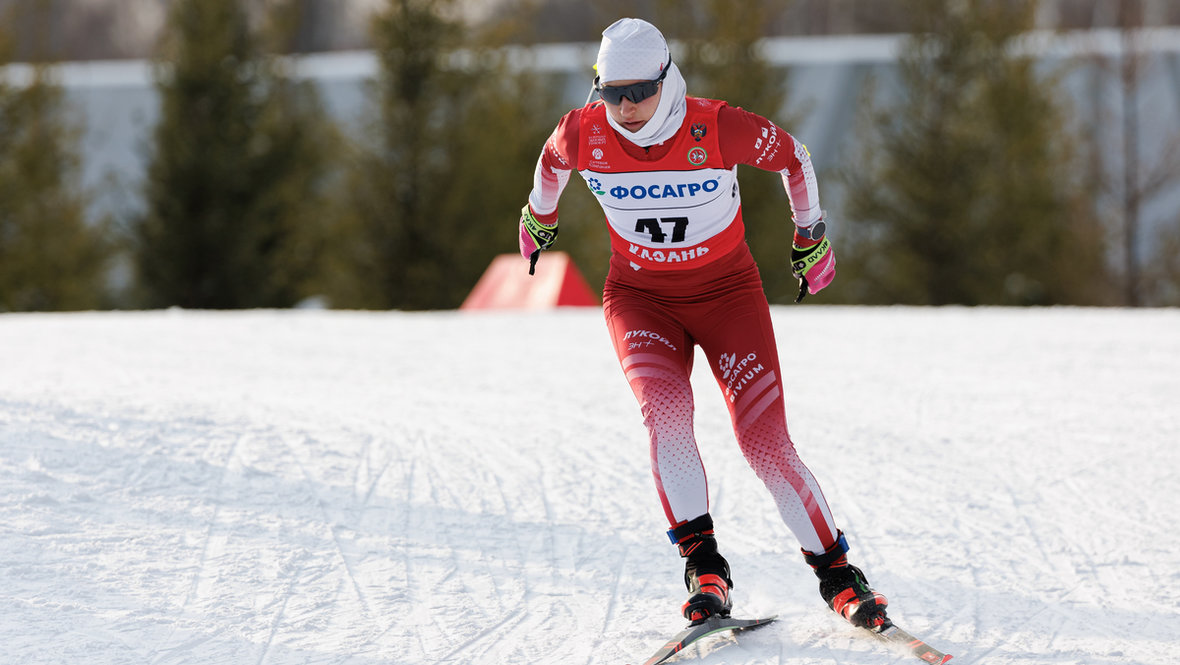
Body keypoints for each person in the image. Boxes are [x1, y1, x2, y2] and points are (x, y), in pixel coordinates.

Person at [517, 17, 889, 629]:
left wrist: (811, 233)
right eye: (612, 93)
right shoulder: (584, 133)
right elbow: (551, 162)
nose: (626, 108)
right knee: (665, 414)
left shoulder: (715, 126)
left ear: (667, 80)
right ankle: (705, 569)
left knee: (764, 443)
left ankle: (839, 576)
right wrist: (538, 216)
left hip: (727, 298)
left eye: (640, 91)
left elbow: (795, 158)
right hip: (640, 299)